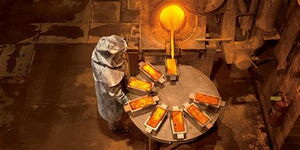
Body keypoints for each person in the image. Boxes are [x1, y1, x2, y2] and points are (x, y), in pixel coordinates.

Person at [91, 35, 130, 133]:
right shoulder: (108, 73)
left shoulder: (99, 55)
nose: (123, 56)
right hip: (109, 97)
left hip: (105, 86)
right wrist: (128, 103)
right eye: (120, 54)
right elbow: (116, 93)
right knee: (113, 114)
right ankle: (115, 128)